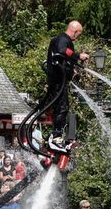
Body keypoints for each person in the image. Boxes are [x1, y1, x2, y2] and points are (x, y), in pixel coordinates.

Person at [36, 21, 89, 150]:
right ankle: (56, 137)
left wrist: (71, 69)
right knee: (62, 108)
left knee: (61, 107)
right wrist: (78, 56)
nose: (78, 38)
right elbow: (62, 51)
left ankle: (55, 136)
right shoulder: (62, 39)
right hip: (58, 81)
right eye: (79, 35)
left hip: (59, 80)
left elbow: (62, 57)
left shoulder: (60, 39)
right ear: (75, 31)